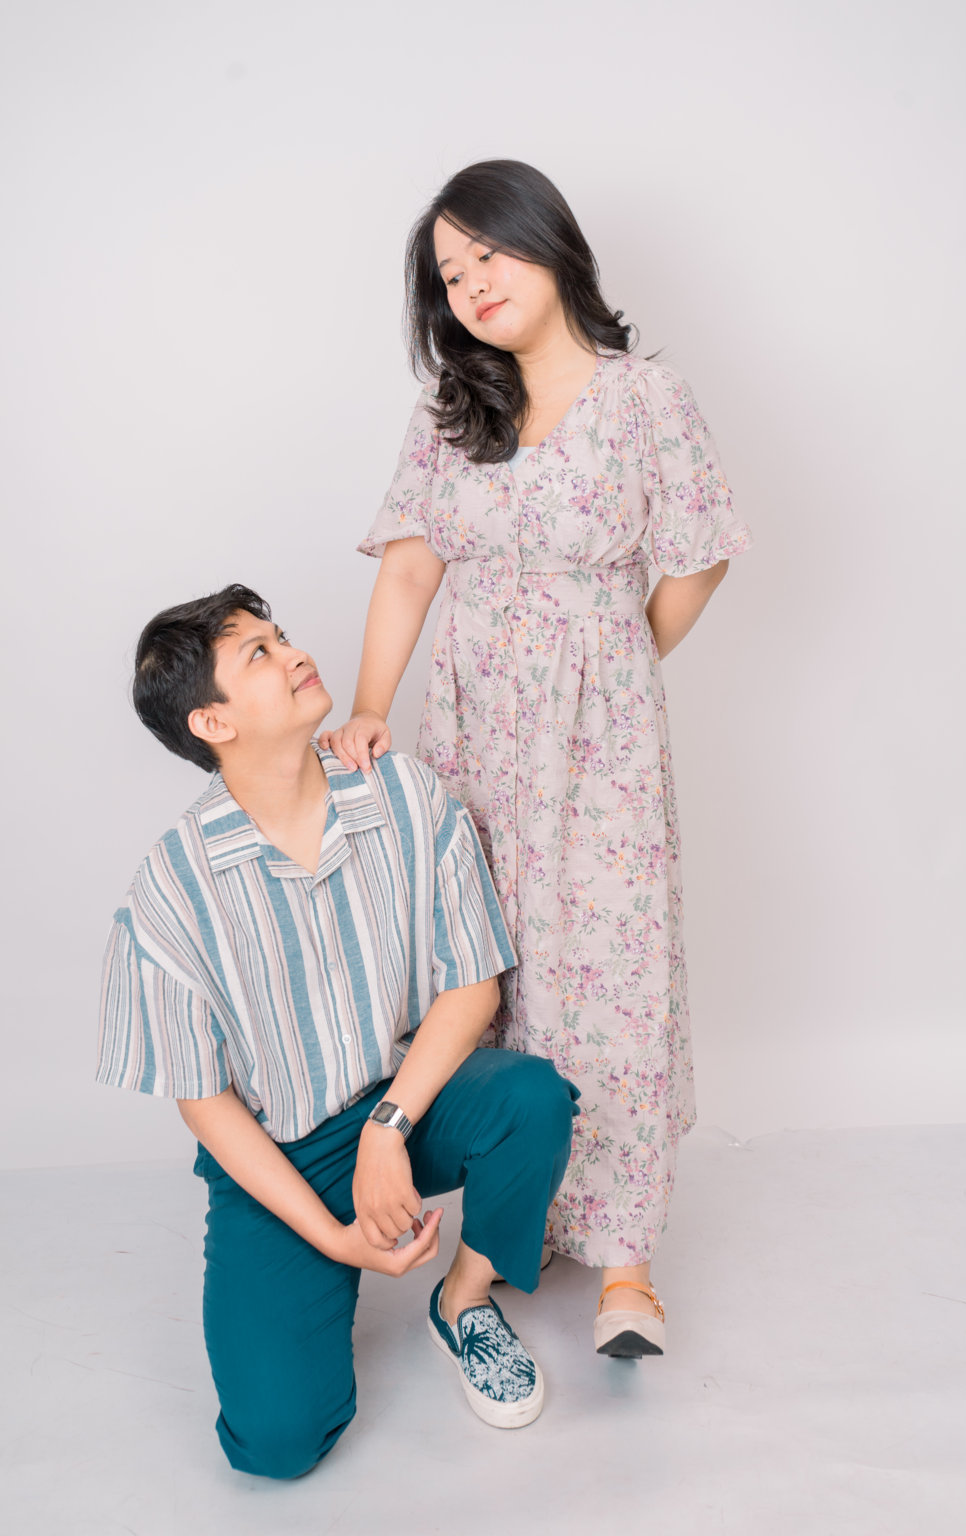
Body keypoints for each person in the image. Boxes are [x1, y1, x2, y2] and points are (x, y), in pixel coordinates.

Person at [323, 159, 752, 1358]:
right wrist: (369, 706)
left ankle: (627, 1262)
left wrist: (618, 659)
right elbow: (412, 563)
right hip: (471, 731)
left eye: (487, 253)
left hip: (598, 737)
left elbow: (700, 552)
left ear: (549, 243)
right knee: (491, 967)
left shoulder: (644, 398)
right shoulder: (452, 409)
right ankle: (528, 1211)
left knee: (613, 973)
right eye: (448, 275)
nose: (470, 284)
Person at [96, 583, 578, 1478]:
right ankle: (322, 1273)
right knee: (277, 1444)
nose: (294, 653)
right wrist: (334, 1238)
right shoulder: (172, 889)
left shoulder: (403, 792)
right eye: (259, 654)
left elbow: (473, 985)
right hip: (284, 1151)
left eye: (281, 635)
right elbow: (204, 1103)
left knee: (533, 1099)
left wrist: (389, 1129)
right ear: (212, 722)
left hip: (410, 1102)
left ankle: (465, 1301)